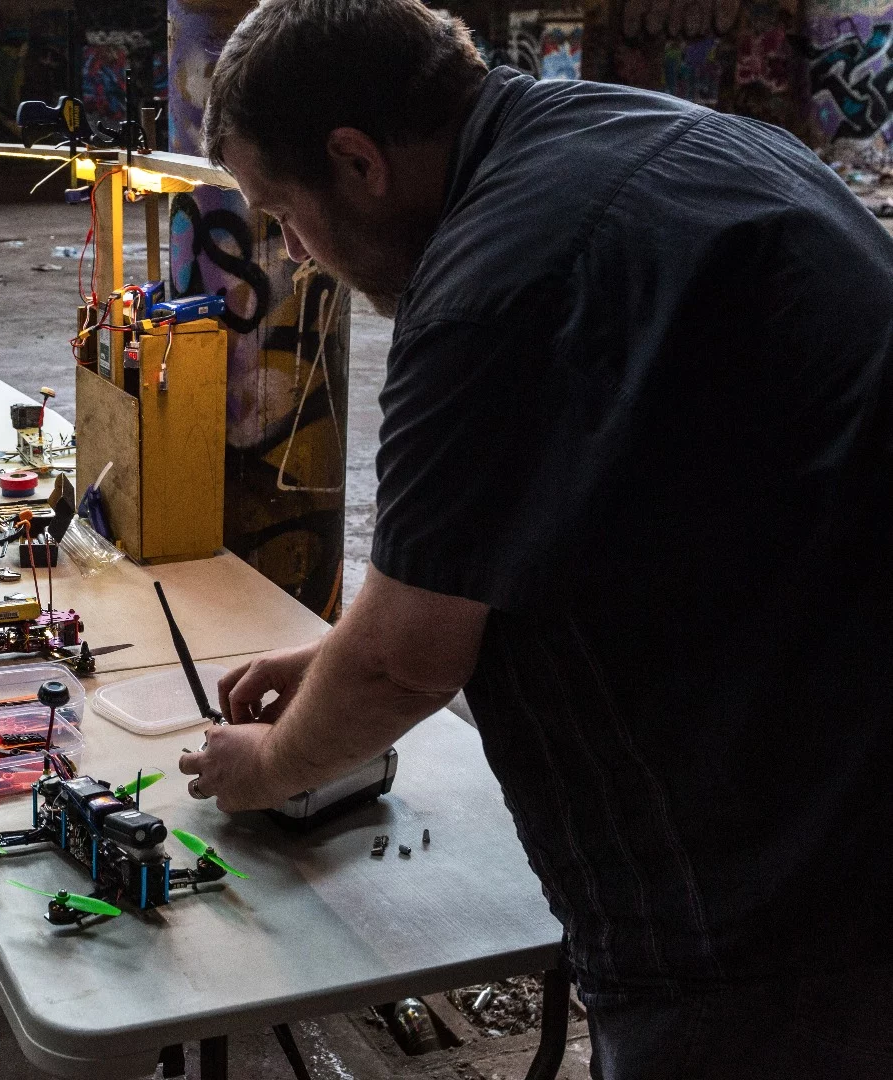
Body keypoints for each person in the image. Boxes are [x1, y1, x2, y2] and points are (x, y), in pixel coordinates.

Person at [180, 1, 893, 1076]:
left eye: (283, 212)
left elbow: (402, 662)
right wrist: (331, 654)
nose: (294, 254)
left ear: (357, 160)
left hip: (760, 914)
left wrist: (269, 768)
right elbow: (571, 510)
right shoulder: (683, 139)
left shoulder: (493, 286)